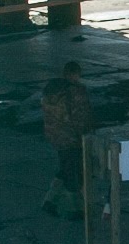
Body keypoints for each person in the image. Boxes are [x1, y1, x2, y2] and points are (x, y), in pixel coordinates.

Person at [40, 59, 94, 215]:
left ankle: (50, 201)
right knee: (73, 171)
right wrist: (87, 133)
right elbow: (80, 117)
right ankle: (76, 208)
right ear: (76, 74)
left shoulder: (51, 90)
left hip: (56, 136)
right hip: (72, 137)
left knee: (66, 167)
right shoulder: (75, 92)